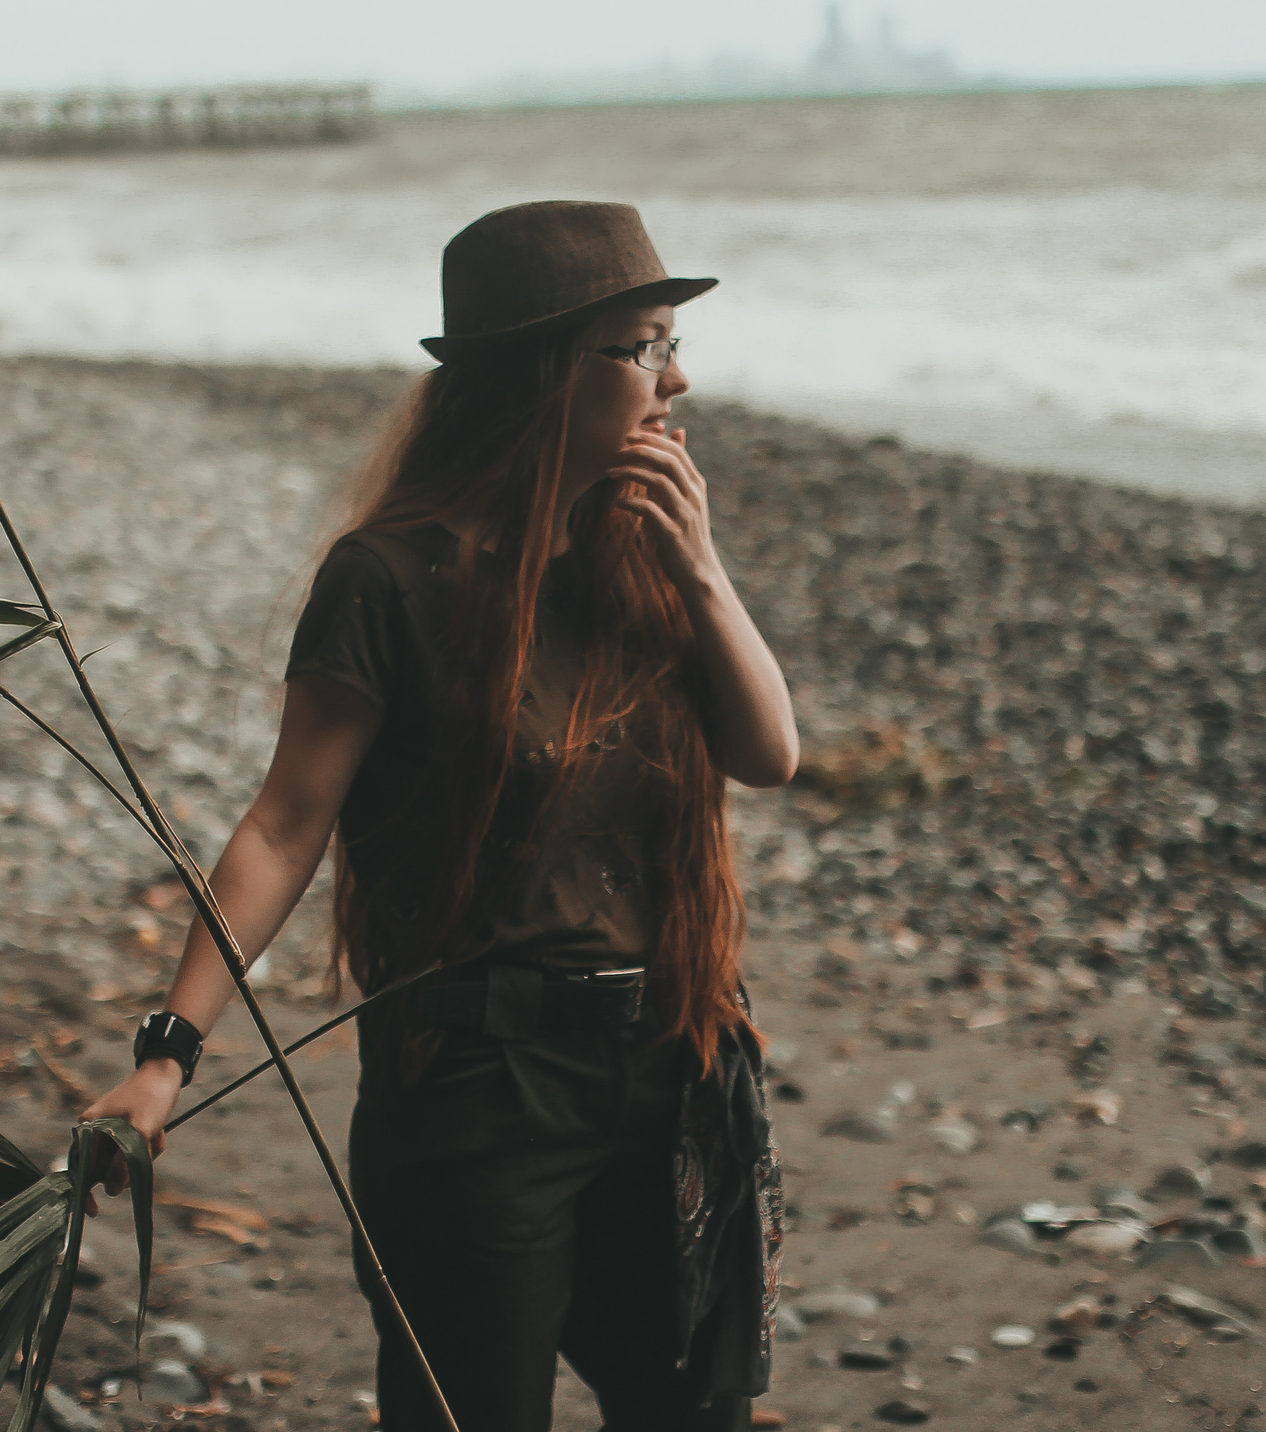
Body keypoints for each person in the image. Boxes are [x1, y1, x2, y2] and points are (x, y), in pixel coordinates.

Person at [82, 200, 797, 1432]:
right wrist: (166, 1057)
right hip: (476, 1085)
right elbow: (285, 824)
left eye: (671, 342)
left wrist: (703, 568)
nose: (676, 377)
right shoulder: (388, 579)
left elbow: (767, 751)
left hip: (668, 1058)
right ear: (537, 372)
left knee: (692, 1412)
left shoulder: (647, 552)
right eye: (641, 347)